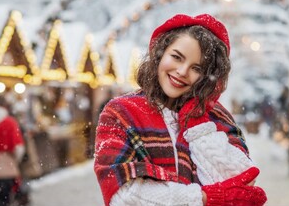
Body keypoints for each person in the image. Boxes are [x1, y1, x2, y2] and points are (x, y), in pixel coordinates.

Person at [94, 14, 267, 206]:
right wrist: (206, 199)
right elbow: (124, 195)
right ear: (160, 54)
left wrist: (198, 124)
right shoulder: (121, 113)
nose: (183, 71)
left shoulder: (218, 117)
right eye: (176, 57)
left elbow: (243, 181)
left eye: (197, 68)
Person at [0, 95, 25, 206]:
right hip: (6, 170)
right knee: (4, 200)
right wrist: (14, 161)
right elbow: (18, 148)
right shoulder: (10, 123)